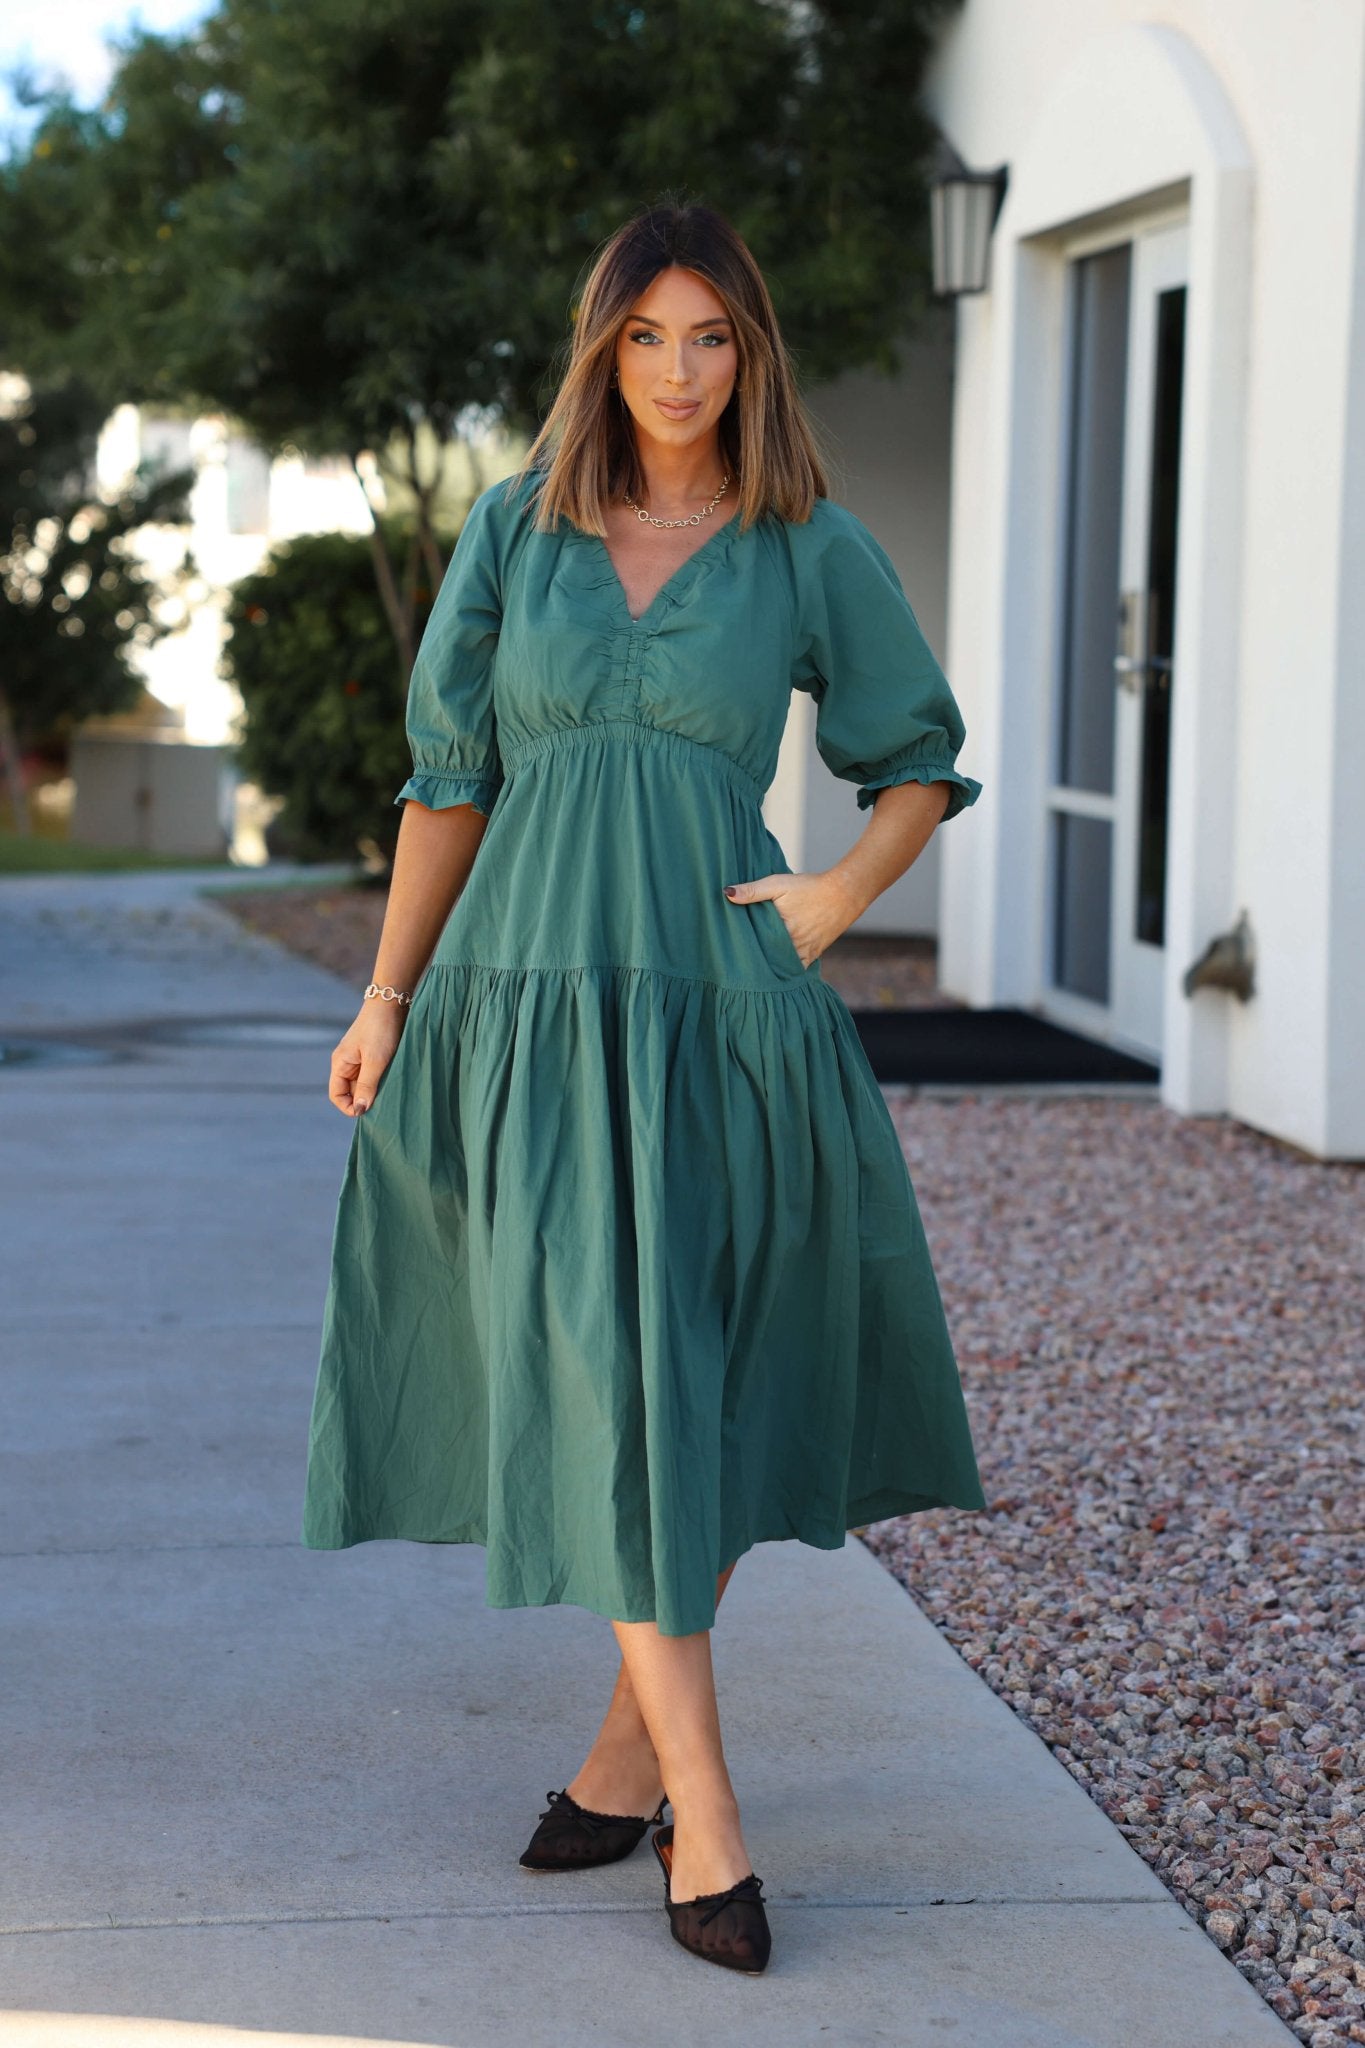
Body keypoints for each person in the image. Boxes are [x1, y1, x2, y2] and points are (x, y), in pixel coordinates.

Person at [303, 198, 985, 1975]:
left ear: (748, 353)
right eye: (646, 337)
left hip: (716, 1010)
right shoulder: (515, 536)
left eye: (712, 338)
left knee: (693, 1371)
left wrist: (837, 895)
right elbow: (446, 784)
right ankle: (711, 1821)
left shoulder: (801, 544)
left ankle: (622, 1758)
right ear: (599, 350)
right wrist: (387, 994)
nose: (680, 372)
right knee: (606, 1374)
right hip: (525, 1010)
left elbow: (913, 755)